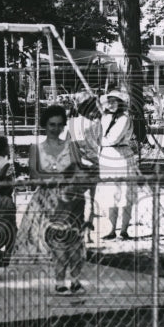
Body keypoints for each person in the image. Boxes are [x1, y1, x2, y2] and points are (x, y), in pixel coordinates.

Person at [13, 104, 88, 294]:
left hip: (69, 198)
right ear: (45, 126)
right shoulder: (36, 148)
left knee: (73, 240)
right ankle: (58, 280)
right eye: (52, 125)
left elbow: (79, 171)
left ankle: (75, 280)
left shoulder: (71, 146)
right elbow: (34, 175)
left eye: (59, 125)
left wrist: (70, 181)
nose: (55, 129)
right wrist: (57, 178)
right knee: (50, 242)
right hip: (46, 199)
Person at [98, 90, 138, 241]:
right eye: (109, 100)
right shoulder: (104, 117)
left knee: (125, 193)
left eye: (115, 101)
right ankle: (111, 229)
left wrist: (98, 139)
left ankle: (124, 230)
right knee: (110, 193)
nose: (111, 103)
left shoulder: (124, 118)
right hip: (106, 156)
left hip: (121, 155)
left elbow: (113, 139)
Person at [67, 93, 102, 233]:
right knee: (91, 200)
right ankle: (88, 230)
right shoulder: (96, 124)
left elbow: (69, 143)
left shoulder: (71, 123)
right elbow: (100, 142)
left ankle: (77, 226)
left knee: (77, 198)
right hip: (94, 163)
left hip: (77, 164)